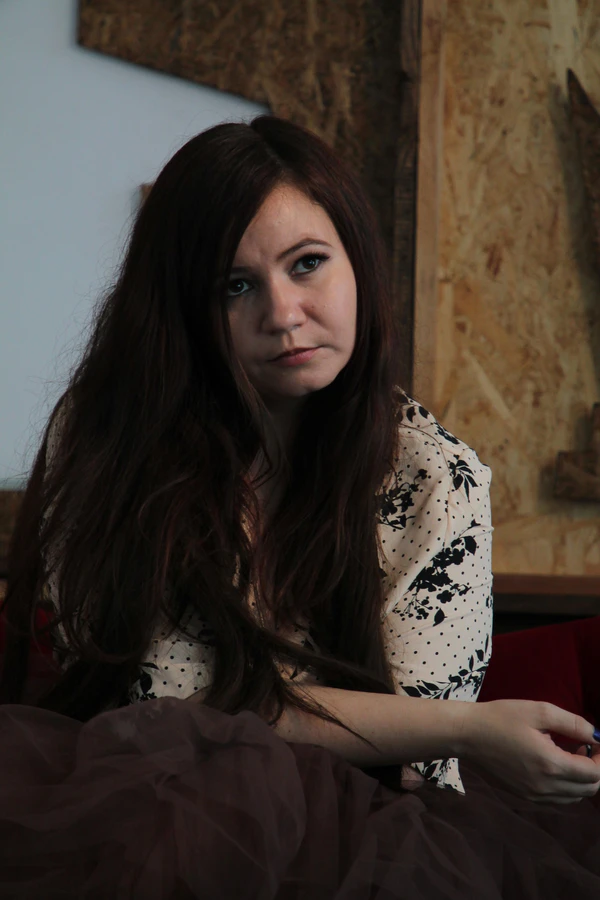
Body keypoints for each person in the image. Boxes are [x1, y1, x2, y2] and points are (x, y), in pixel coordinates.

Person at [0, 114, 599, 899]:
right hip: (134, 815)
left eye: (307, 264)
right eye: (236, 286)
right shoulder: (109, 439)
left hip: (383, 836)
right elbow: (173, 714)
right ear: (181, 308)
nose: (283, 314)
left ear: (358, 263)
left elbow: (413, 761)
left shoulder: (433, 476)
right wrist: (470, 727)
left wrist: (447, 731)